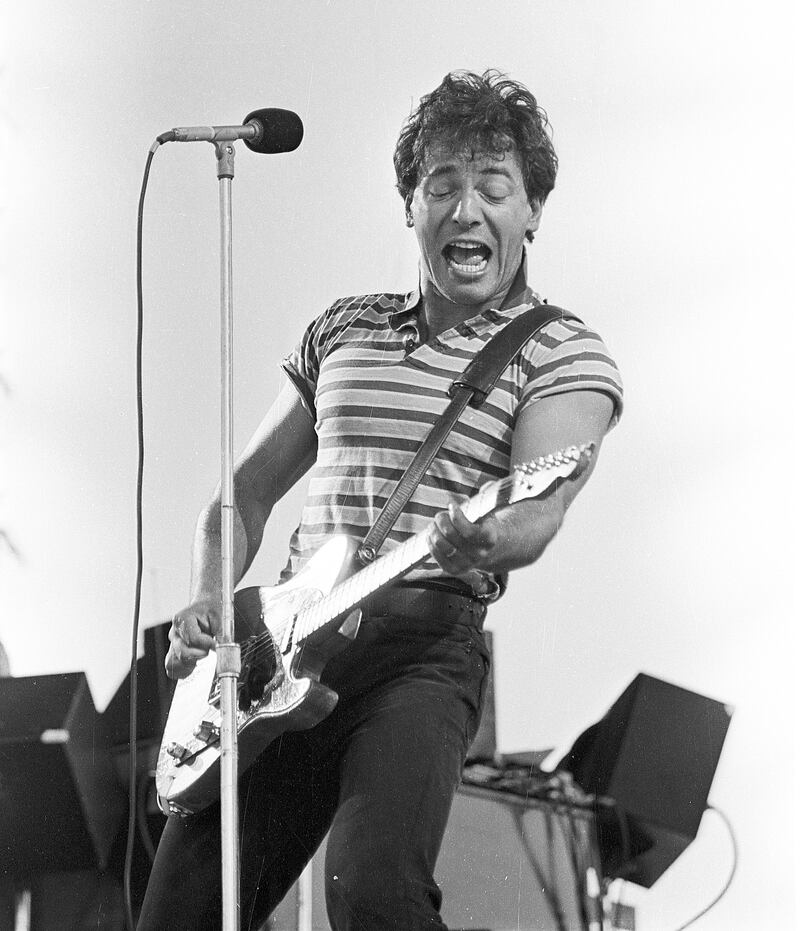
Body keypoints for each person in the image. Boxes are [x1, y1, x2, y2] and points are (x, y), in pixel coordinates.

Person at [138, 69, 623, 930]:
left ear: (532, 211)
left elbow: (539, 507)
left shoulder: (560, 350)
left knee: (374, 892)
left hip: (419, 652)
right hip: (275, 650)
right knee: (180, 909)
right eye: (442, 185)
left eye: (494, 187)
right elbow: (241, 495)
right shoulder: (344, 327)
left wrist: (492, 535)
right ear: (411, 205)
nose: (466, 209)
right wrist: (211, 593)